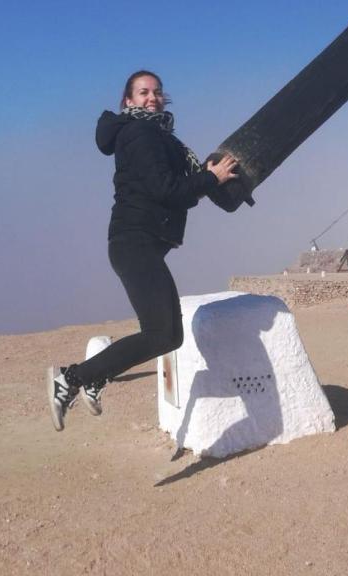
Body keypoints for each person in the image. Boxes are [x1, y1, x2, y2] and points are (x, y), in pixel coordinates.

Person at [47, 70, 238, 431]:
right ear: (129, 101)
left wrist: (206, 181)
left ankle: (92, 378)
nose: (153, 97)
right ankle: (71, 378)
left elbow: (177, 191)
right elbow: (166, 189)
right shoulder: (140, 133)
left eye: (157, 92)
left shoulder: (159, 136)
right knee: (162, 333)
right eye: (143, 92)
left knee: (166, 333)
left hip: (141, 243)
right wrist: (210, 178)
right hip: (134, 242)